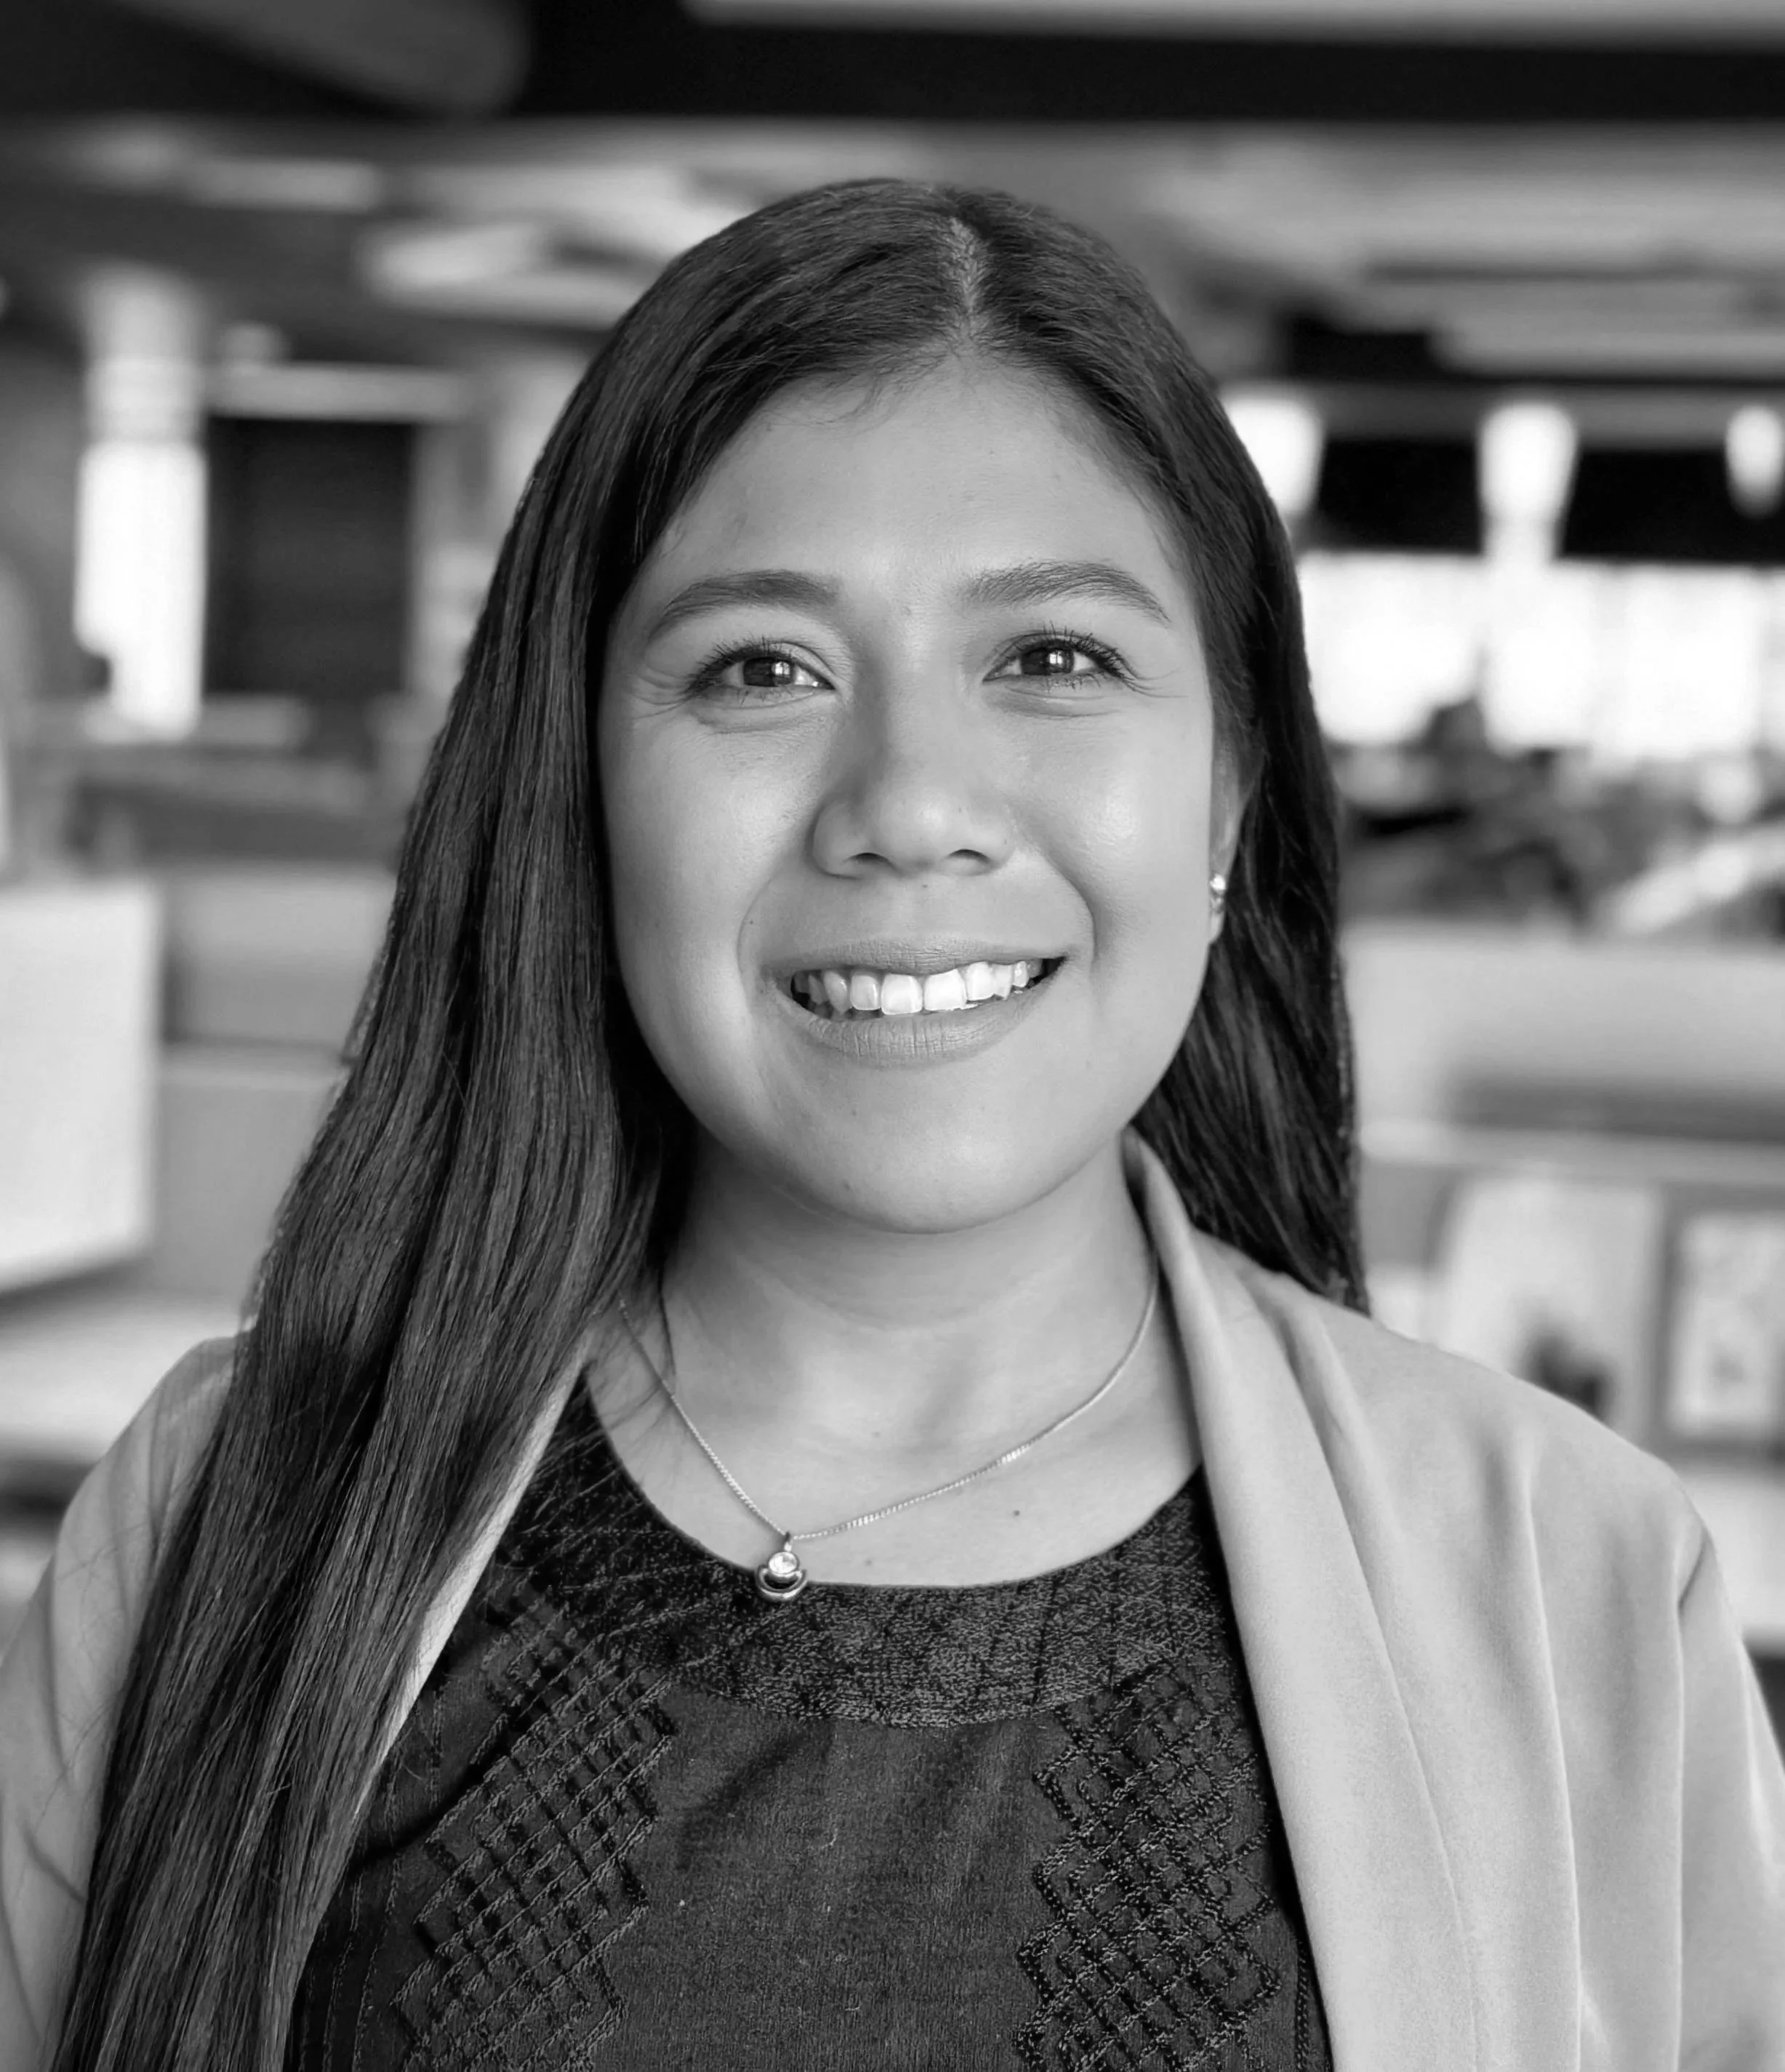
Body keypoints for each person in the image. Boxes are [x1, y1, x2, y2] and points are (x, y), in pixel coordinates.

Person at [1, 180, 1781, 2071]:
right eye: (760, 669)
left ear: (1227, 795)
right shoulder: (224, 1515)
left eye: (1053, 659)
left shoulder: (1569, 1580)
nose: (910, 805)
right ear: (578, 787)